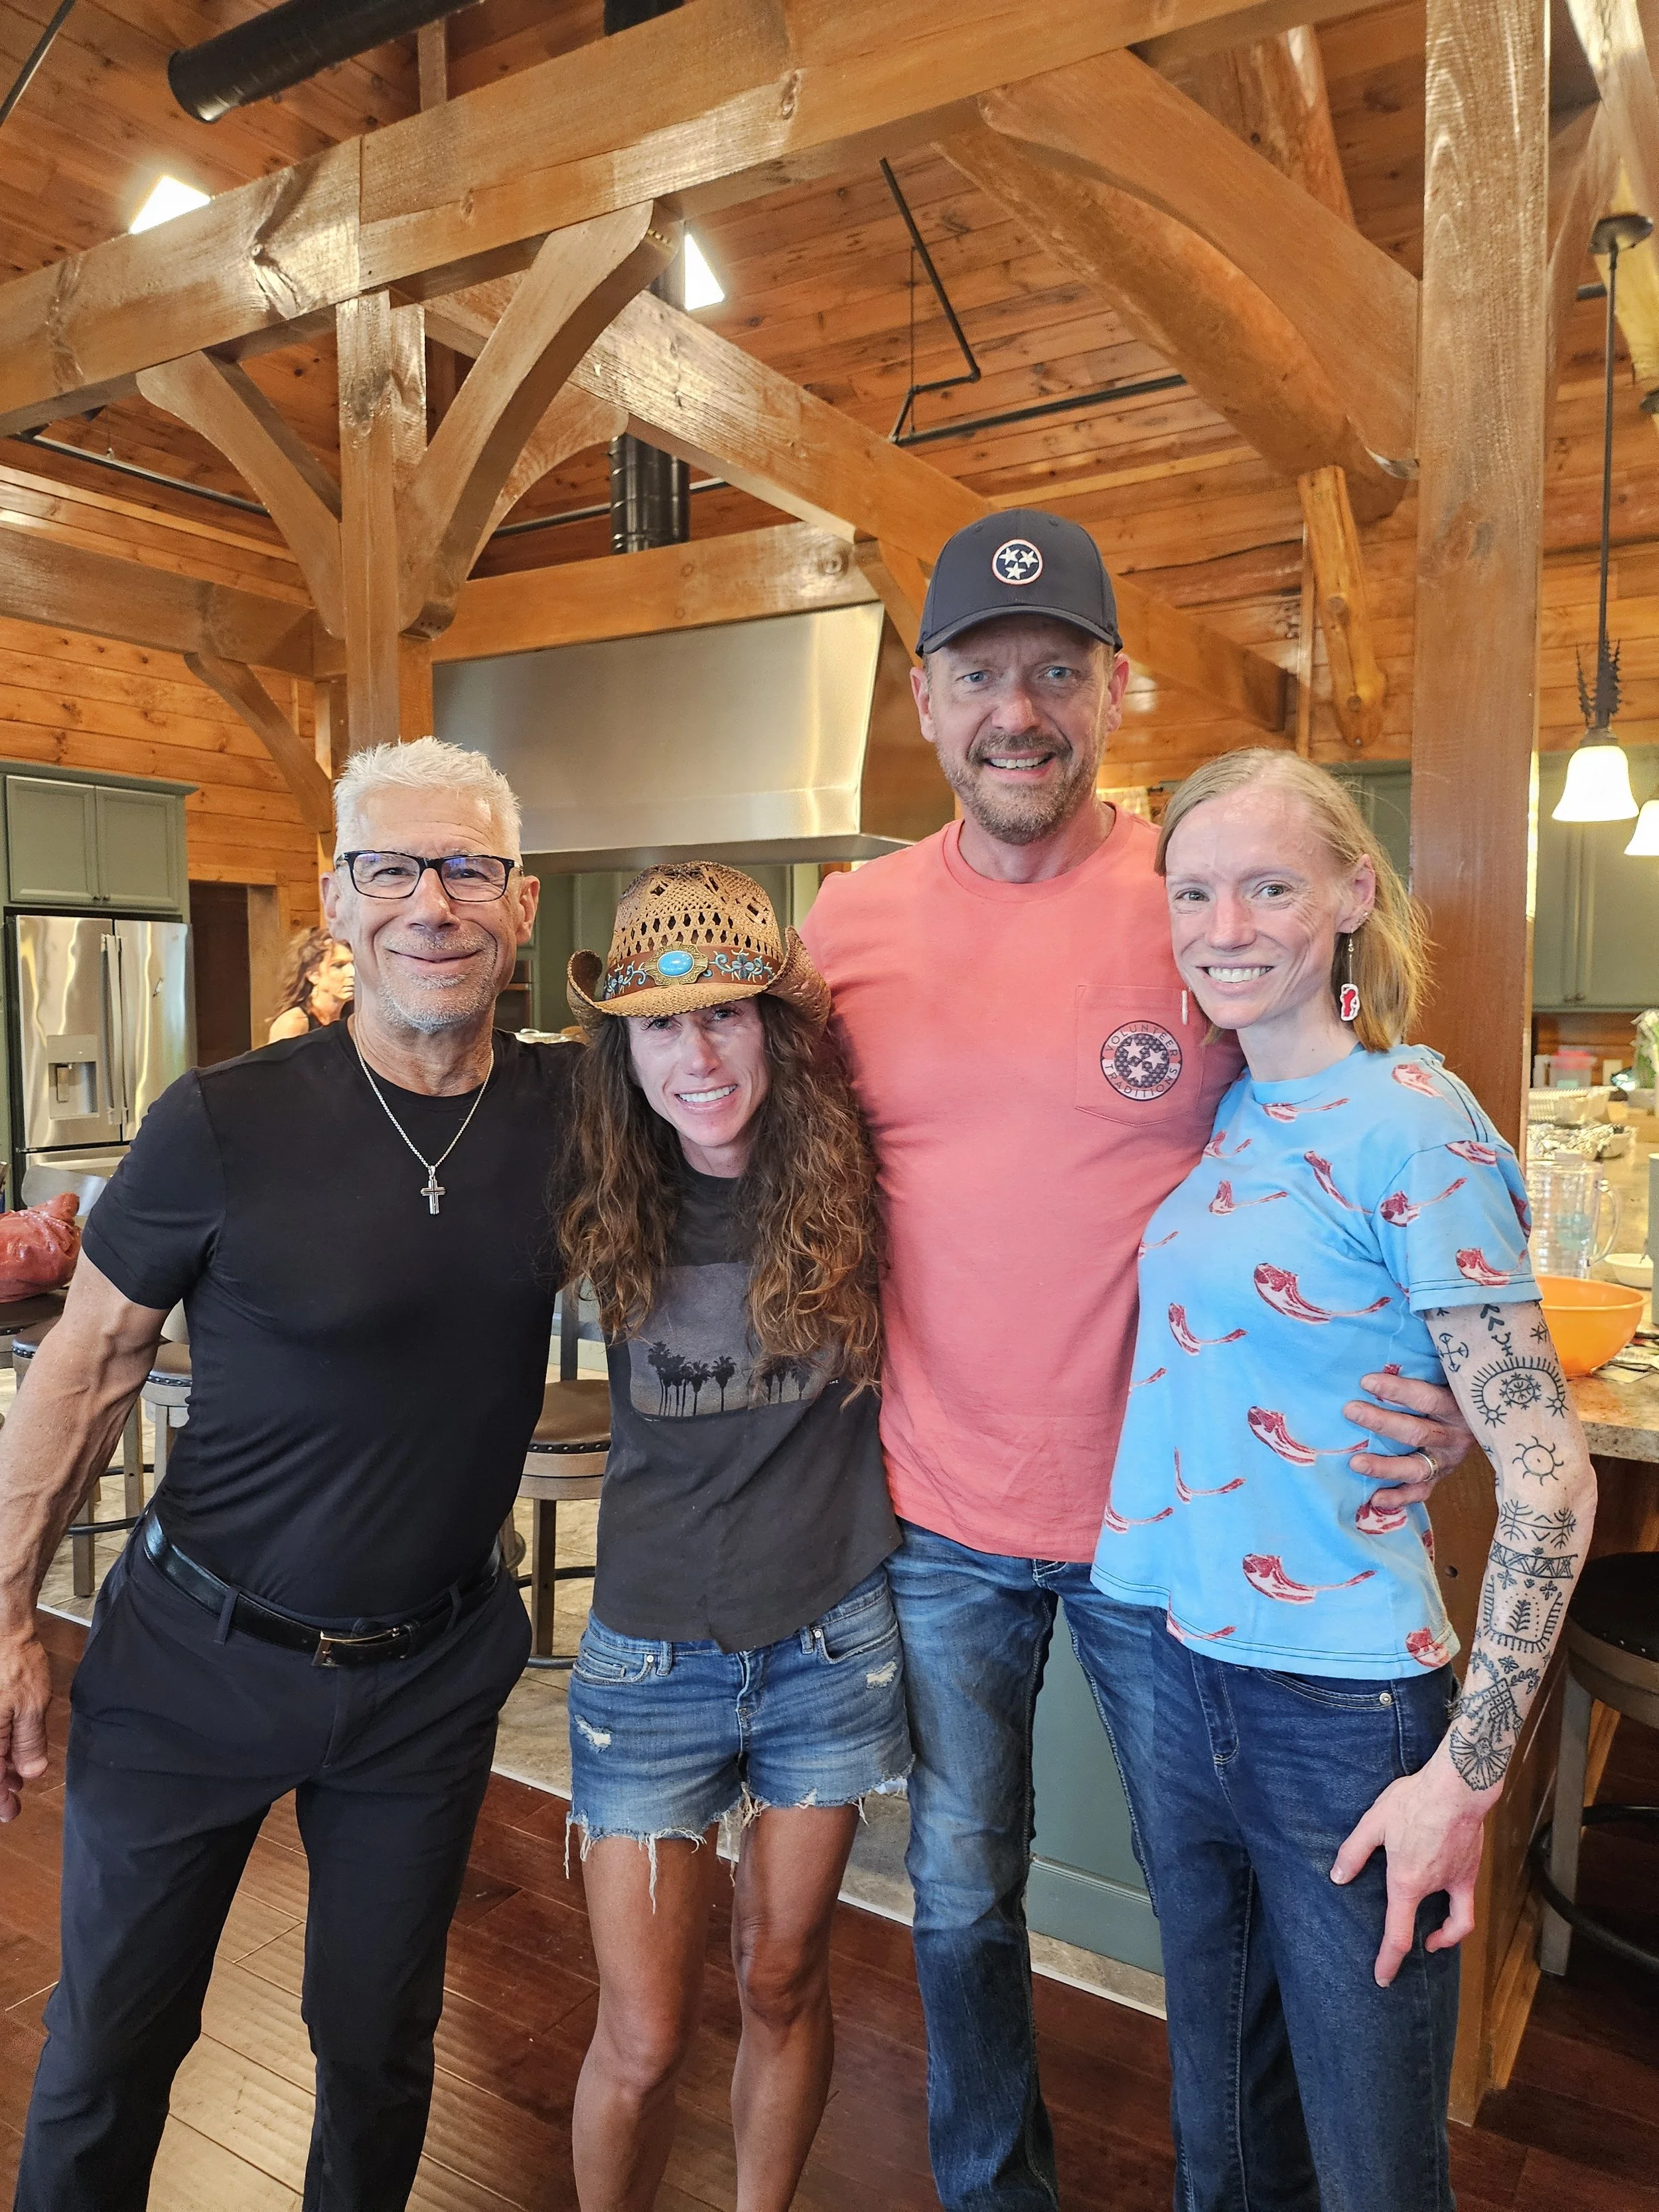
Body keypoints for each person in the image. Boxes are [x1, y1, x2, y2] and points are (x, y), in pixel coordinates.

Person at [798, 509, 1480, 2211]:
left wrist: (1468, 1379)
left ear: (1116, 686)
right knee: (957, 1894)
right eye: (978, 676)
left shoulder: (1191, 891)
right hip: (940, 1510)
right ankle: (990, 2194)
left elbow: (1353, 1139)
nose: (1015, 710)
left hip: (1167, 1531)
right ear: (926, 696)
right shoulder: (851, 925)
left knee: (1217, 1915)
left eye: (1053, 672)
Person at [0, 737, 570, 2212]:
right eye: (391, 867)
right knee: (109, 2049)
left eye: (465, 869)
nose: (428, 903)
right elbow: (86, 1365)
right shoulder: (222, 1119)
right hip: (195, 1658)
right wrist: (4, 1615)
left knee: (379, 2047)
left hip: (429, 1673)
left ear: (518, 903)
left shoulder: (579, 1115)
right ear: (336, 896)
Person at [1094, 748, 1597, 2211]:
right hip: (1170, 1658)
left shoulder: (1411, 1119)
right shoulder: (1237, 1109)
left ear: (1348, 895)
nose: (1222, 923)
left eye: (1265, 884)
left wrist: (1466, 1772)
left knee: (1374, 2167)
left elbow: (1551, 1481)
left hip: (1340, 1709)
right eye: (1193, 890)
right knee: (1225, 2140)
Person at [559, 863, 908, 2212]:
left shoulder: (867, 1174)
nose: (695, 1052)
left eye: (726, 1017)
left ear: (779, 1026)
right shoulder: (589, 1183)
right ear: (624, 1047)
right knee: (640, 2036)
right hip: (645, 1658)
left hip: (831, 1638)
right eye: (660, 1024)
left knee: (782, 1973)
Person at [267, 924, 355, 1041]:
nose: (352, 973)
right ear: (314, 975)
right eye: (338, 966)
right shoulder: (294, 1023)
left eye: (354, 964)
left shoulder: (353, 1019)